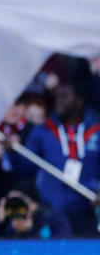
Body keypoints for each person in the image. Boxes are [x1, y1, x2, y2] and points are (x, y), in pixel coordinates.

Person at [17, 83, 100, 236]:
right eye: (56, 96)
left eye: (64, 96)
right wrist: (13, 150)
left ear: (79, 100)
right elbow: (24, 168)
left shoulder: (96, 129)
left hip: (86, 212)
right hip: (50, 214)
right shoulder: (43, 130)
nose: (58, 101)